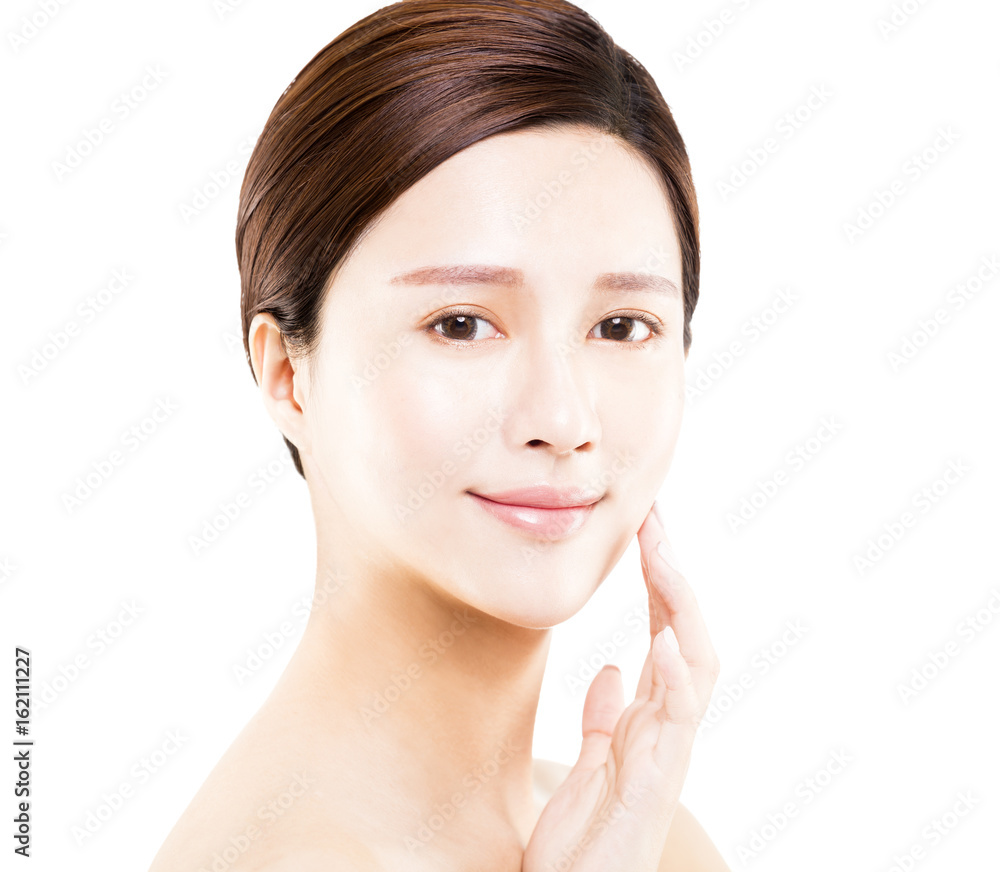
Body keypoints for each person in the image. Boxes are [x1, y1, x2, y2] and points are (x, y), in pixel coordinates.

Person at [148, 1, 728, 868]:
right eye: (461, 324)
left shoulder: (634, 836)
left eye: (621, 327)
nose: (563, 421)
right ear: (287, 375)